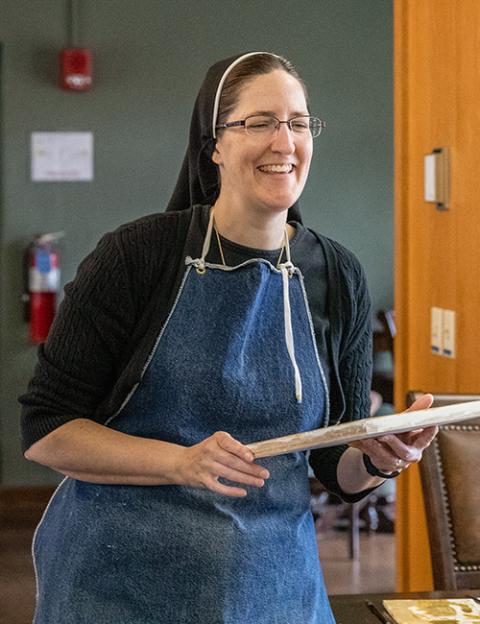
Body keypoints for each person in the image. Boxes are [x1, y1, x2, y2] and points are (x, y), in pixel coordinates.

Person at [19, 51, 437, 624]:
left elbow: (335, 465)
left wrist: (381, 460)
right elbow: (47, 430)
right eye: (259, 122)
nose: (283, 141)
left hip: (274, 590)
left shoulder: (338, 274)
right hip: (120, 588)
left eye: (297, 122)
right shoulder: (135, 257)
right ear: (213, 144)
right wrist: (180, 463)